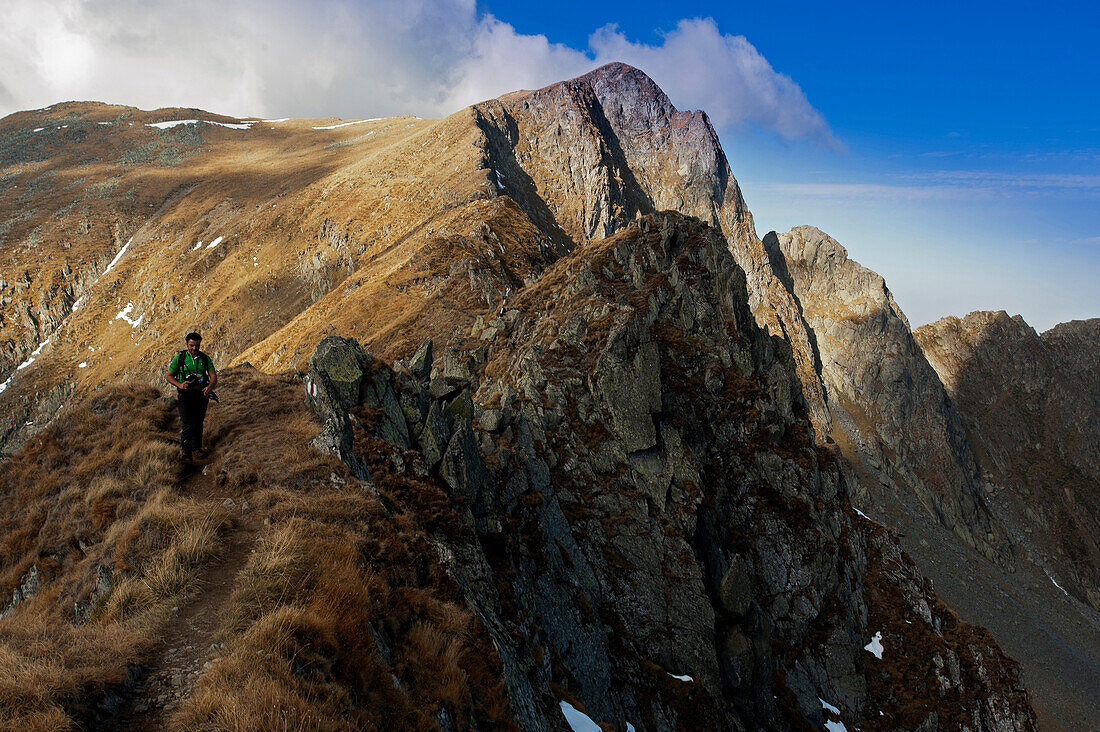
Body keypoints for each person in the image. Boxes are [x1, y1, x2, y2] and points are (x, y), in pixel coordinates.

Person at [166, 332, 217, 461]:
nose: (194, 348)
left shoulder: (205, 359)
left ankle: (197, 449)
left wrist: (209, 387)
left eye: (197, 346)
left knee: (198, 423)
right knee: (187, 424)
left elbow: (213, 376)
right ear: (187, 344)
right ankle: (186, 454)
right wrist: (180, 385)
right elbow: (169, 376)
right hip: (185, 396)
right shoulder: (180, 359)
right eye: (191, 345)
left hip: (201, 395)